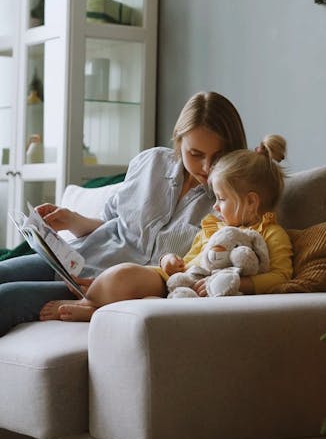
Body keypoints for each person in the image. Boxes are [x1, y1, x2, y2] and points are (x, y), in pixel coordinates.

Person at [0, 91, 247, 336]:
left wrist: (110, 290)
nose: (206, 167)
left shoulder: (232, 202)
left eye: (218, 157)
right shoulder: (150, 163)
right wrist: (72, 220)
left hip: (103, 288)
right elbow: (112, 223)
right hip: (77, 258)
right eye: (196, 154)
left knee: (7, 299)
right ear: (179, 141)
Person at [42, 134, 294, 321]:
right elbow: (191, 260)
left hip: (195, 294)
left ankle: (96, 310)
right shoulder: (211, 228)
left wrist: (242, 284)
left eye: (222, 199)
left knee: (151, 305)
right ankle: (92, 302)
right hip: (178, 279)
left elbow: (281, 277)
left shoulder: (271, 234)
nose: (215, 206)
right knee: (122, 274)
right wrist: (168, 261)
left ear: (251, 202)